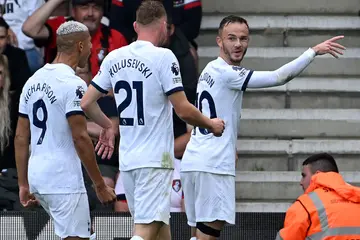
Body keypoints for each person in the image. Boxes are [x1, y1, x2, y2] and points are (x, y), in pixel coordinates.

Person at [180, 15, 346, 240]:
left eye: (243, 38)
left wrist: (230, 145)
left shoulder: (210, 68)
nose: (238, 44)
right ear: (219, 41)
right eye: (231, 38)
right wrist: (313, 51)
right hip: (213, 165)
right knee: (208, 234)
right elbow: (279, 77)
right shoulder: (230, 74)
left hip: (193, 162)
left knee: (197, 232)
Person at [80, 1, 225, 240]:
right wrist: (210, 124)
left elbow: (86, 103)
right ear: (165, 26)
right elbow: (183, 110)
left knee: (159, 229)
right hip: (155, 160)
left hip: (128, 162)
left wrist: (106, 124)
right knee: (147, 230)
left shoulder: (115, 57)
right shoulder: (163, 57)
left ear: (136, 26)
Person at [14, 20, 116, 240]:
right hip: (63, 180)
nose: (90, 51)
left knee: (78, 234)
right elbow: (80, 137)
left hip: (38, 177)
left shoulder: (32, 82)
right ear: (80, 46)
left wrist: (23, 183)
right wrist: (100, 185)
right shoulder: (72, 84)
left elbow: (21, 137)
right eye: (89, 44)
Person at [22, 0, 128, 78]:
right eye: (84, 7)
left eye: (96, 7)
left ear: (102, 13)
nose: (90, 13)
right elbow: (29, 29)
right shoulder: (61, 29)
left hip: (101, 102)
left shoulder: (116, 37)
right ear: (73, 11)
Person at [275, 153, 360, 240]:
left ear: (317, 175)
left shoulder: (305, 204)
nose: (301, 182)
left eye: (304, 176)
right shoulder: (357, 196)